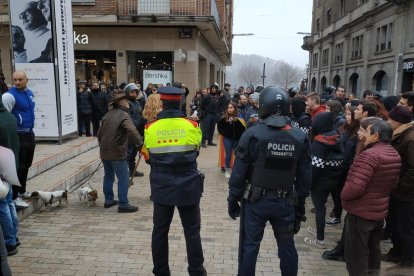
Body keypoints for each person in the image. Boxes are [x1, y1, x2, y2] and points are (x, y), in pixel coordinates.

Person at [227, 87, 312, 276]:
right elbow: (305, 178)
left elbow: (238, 174)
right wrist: (300, 205)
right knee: (287, 246)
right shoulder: (300, 137)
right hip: (285, 202)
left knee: (250, 247)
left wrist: (232, 200)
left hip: (256, 202)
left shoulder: (252, 135)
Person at [143, 86, 206, 276]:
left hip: (162, 185)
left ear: (162, 103)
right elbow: (195, 151)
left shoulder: (149, 128)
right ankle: (196, 271)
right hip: (188, 185)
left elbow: (147, 157)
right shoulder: (193, 125)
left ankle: (161, 272)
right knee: (192, 232)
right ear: (180, 102)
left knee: (160, 231)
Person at [341, 120, 401, 276]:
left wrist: (344, 196)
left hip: (361, 212)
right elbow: (393, 183)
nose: (362, 134)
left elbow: (355, 187)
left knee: (356, 256)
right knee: (373, 253)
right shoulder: (393, 153)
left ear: (376, 136)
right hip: (378, 212)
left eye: (365, 131)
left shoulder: (369, 155)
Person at [97, 91, 143, 213]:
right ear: (120, 102)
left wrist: (102, 147)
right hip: (117, 152)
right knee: (123, 178)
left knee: (108, 176)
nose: (128, 102)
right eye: (125, 100)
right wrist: (140, 144)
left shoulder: (107, 115)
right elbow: (132, 131)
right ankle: (123, 204)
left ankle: (108, 200)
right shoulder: (123, 115)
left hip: (105, 151)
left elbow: (99, 134)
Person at [304, 112, 344, 249]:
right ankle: (319, 230)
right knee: (323, 208)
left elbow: (316, 167)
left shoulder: (319, 142)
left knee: (320, 208)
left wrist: (309, 185)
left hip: (321, 181)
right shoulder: (337, 136)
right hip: (335, 178)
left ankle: (320, 239)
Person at [383, 106, 414, 269]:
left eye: (389, 119)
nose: (387, 122)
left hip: (406, 193)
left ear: (398, 122)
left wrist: (401, 187)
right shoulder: (400, 134)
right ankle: (396, 252)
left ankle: (407, 258)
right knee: (394, 223)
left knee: (405, 226)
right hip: (396, 189)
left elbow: (412, 169)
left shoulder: (410, 138)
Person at [2, 71, 36, 209]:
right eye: (15, 79)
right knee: (18, 166)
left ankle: (22, 191)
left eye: (20, 79)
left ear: (27, 80)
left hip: (29, 133)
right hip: (18, 135)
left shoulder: (30, 93)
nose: (17, 82)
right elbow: (5, 116)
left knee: (26, 164)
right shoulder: (9, 95)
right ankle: (15, 197)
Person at [0, 96, 20, 257]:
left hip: (2, 168)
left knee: (2, 206)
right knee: (9, 202)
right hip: (11, 165)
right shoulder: (9, 117)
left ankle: (9, 242)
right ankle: (14, 236)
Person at [217, 102, 246, 178]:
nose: (229, 109)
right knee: (228, 154)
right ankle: (227, 170)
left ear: (235, 108)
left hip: (237, 139)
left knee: (237, 154)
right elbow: (220, 128)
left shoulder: (239, 117)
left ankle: (236, 169)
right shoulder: (224, 118)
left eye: (231, 108)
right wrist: (226, 132)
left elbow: (243, 128)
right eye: (228, 108)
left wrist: (236, 121)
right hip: (228, 139)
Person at [124, 83, 146, 178]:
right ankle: (127, 173)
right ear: (127, 93)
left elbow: (140, 115)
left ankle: (133, 171)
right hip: (129, 131)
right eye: (132, 92)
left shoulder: (137, 103)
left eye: (135, 92)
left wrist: (145, 121)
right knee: (129, 153)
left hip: (137, 131)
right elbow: (128, 118)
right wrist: (138, 123)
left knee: (133, 153)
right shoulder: (126, 103)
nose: (134, 94)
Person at [200, 83, 221, 148]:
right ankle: (203, 142)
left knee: (212, 129)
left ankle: (210, 141)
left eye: (215, 88)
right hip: (207, 115)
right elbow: (202, 105)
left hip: (214, 115)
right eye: (213, 88)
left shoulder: (218, 97)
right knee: (205, 129)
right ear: (211, 89)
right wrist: (204, 112)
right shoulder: (207, 96)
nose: (214, 89)